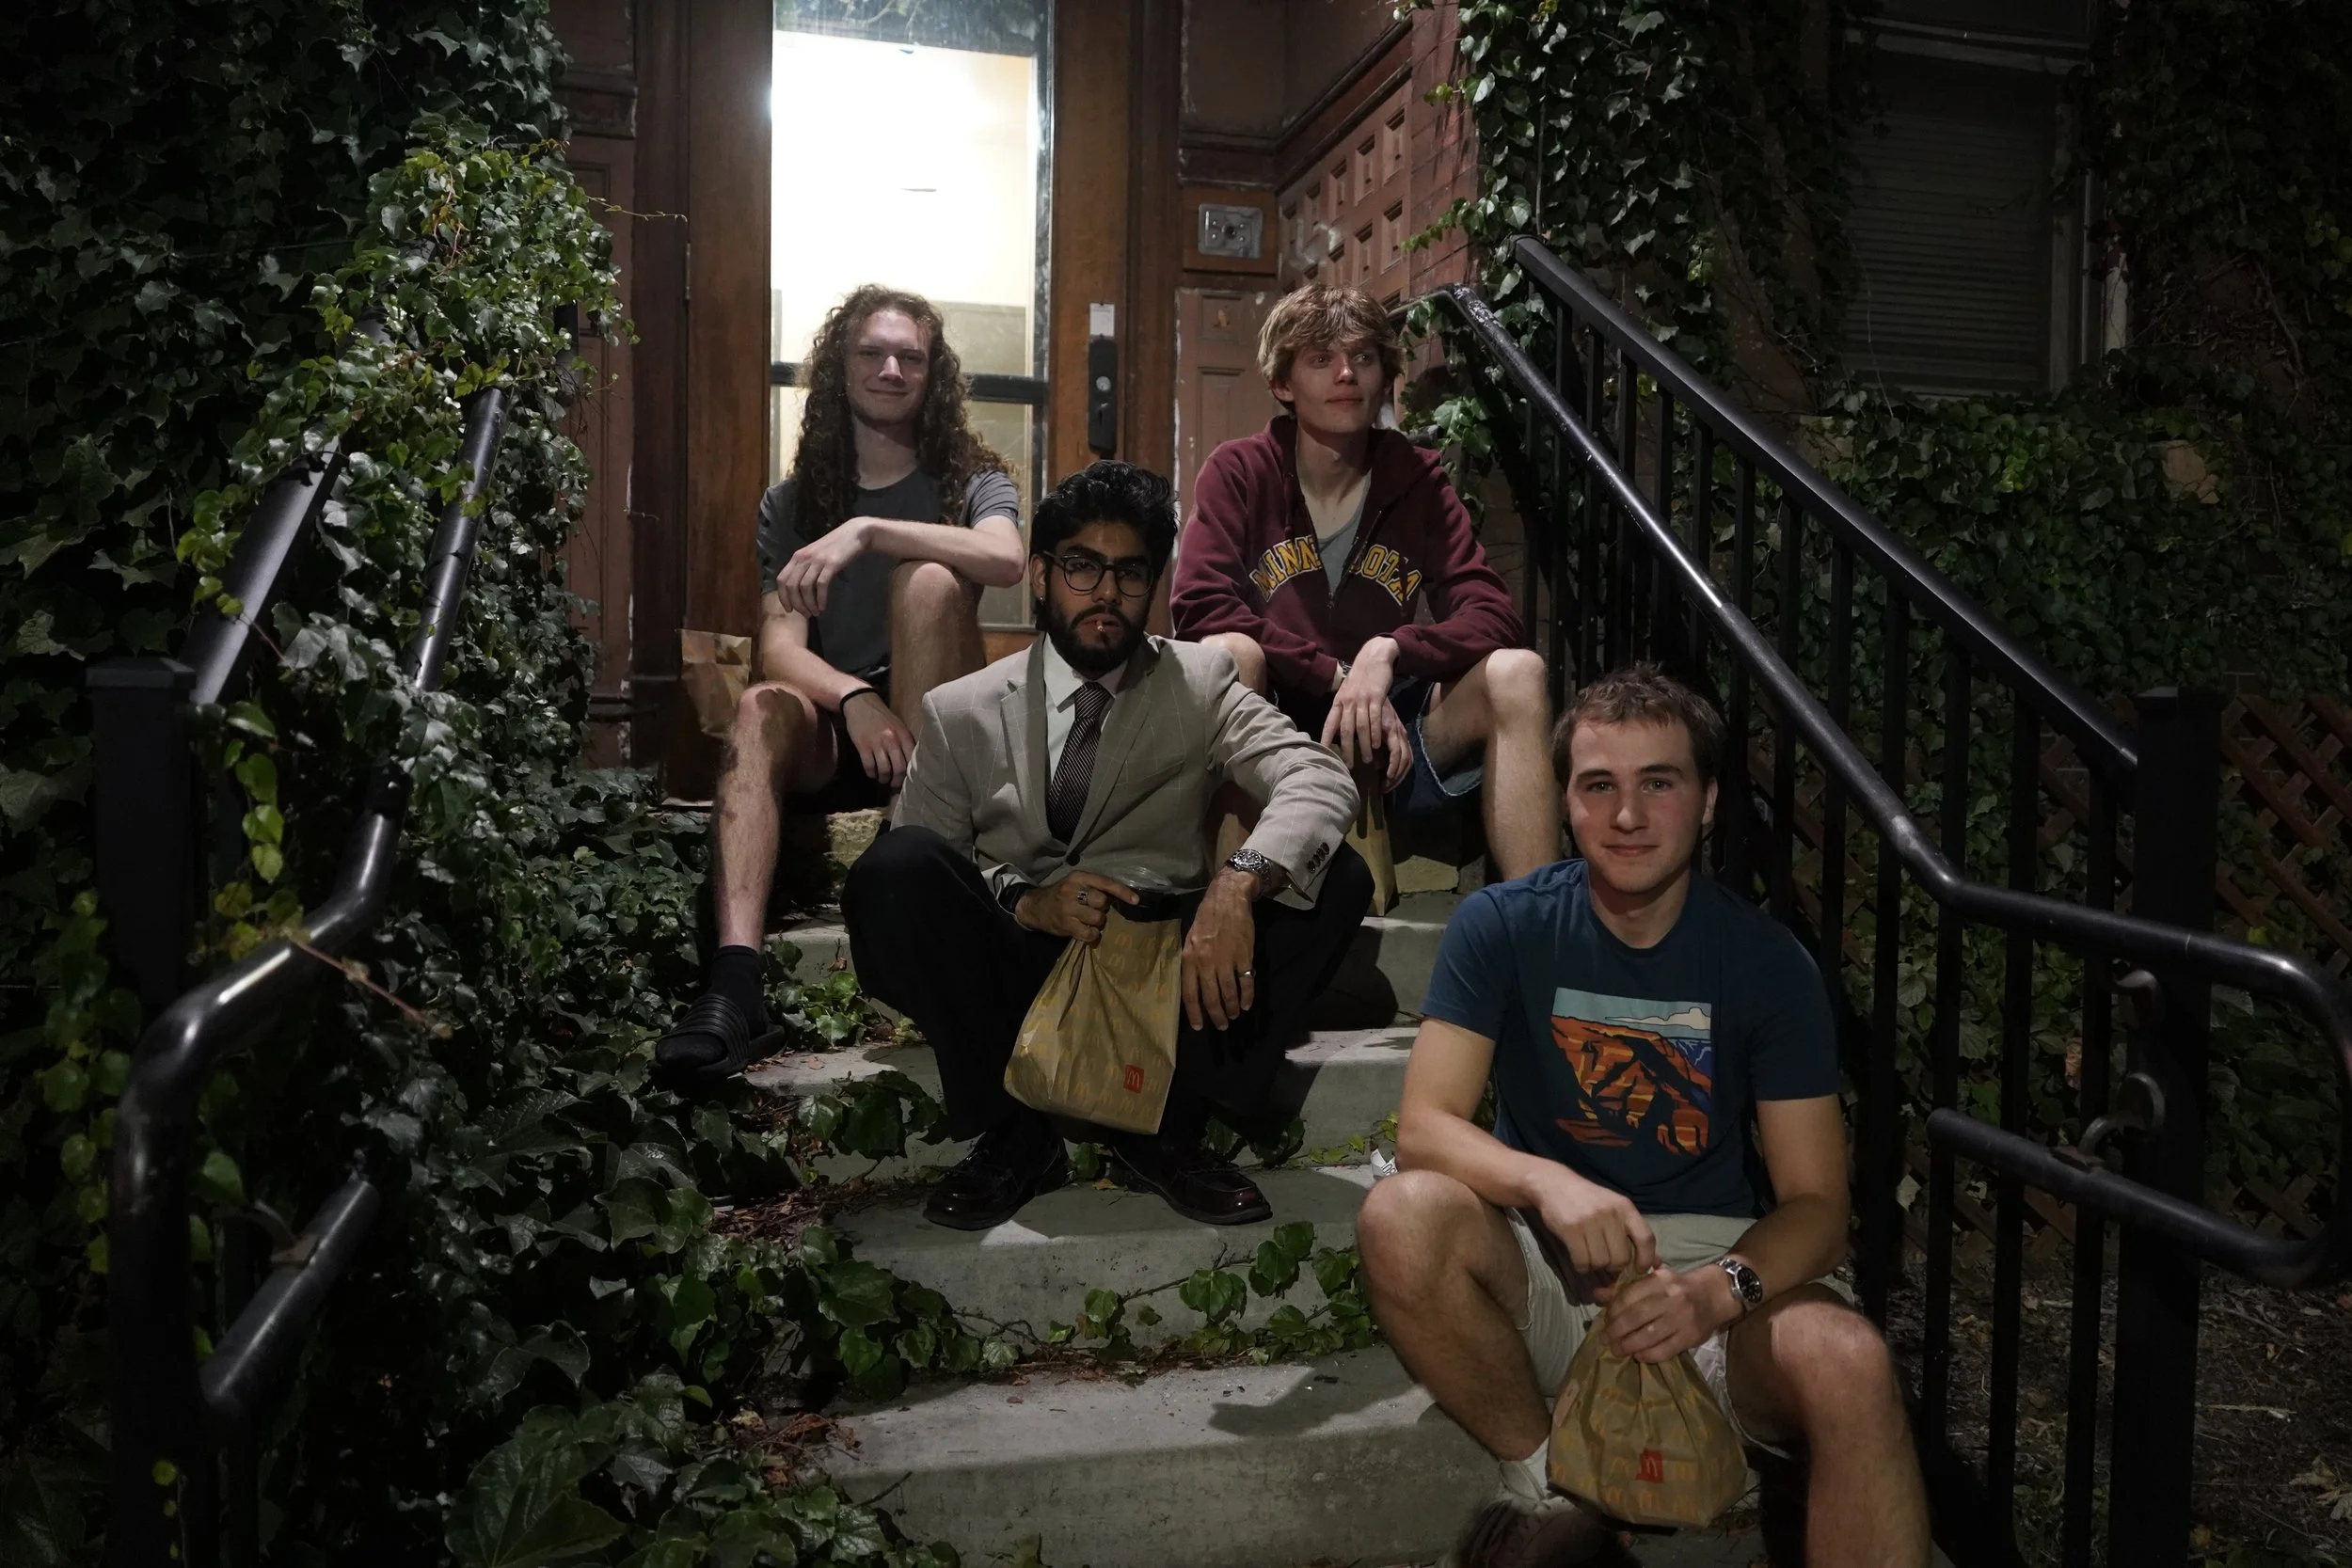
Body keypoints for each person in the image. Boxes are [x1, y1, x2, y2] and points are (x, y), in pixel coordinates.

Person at [1355, 665, 1930, 1568]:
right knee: (1401, 1212)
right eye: (1598, 786)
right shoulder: (1502, 926)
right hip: (1550, 1269)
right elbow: (1425, 1127)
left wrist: (1716, 1292)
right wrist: (1550, 1184)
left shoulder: (1766, 962)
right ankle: (1553, 1474)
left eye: (1657, 783)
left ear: (1705, 804)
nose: (1627, 815)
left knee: (1848, 1358)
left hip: (1713, 1279)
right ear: (1567, 804)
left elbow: (1819, 1206)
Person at [842, 460, 1373, 1230]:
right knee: (894, 867)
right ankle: (1016, 1131)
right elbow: (933, 866)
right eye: (1082, 567)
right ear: (1040, 575)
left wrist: (1239, 882)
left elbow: (1320, 779)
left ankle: (1167, 1129)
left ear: (1152, 585)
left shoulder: (1199, 679)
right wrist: (1026, 901)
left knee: (1339, 878)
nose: (1106, 594)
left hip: (1162, 965)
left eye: (1130, 573)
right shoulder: (962, 711)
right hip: (1018, 964)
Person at [655, 284, 1027, 1089]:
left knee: (928, 581)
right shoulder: (794, 503)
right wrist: (854, 699)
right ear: (841, 366)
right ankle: (733, 982)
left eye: (912, 357)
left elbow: (1005, 559)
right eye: (872, 352)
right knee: (758, 703)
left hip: (944, 728)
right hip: (842, 725)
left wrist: (867, 531)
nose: (892, 369)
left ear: (934, 376)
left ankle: (915, 888)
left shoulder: (974, 477)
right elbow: (779, 645)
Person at [1168, 282, 1557, 880]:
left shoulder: (1418, 480)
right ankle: (1232, 914)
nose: (1346, 373)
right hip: (1272, 721)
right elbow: (1199, 605)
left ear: (1384, 376)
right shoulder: (1240, 472)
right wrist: (1333, 674)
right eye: (1321, 359)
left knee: (1518, 672)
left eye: (1364, 357)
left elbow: (1492, 613)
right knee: (1229, 654)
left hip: (1388, 731)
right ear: (1283, 383)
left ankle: (1540, 931)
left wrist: (1389, 650)